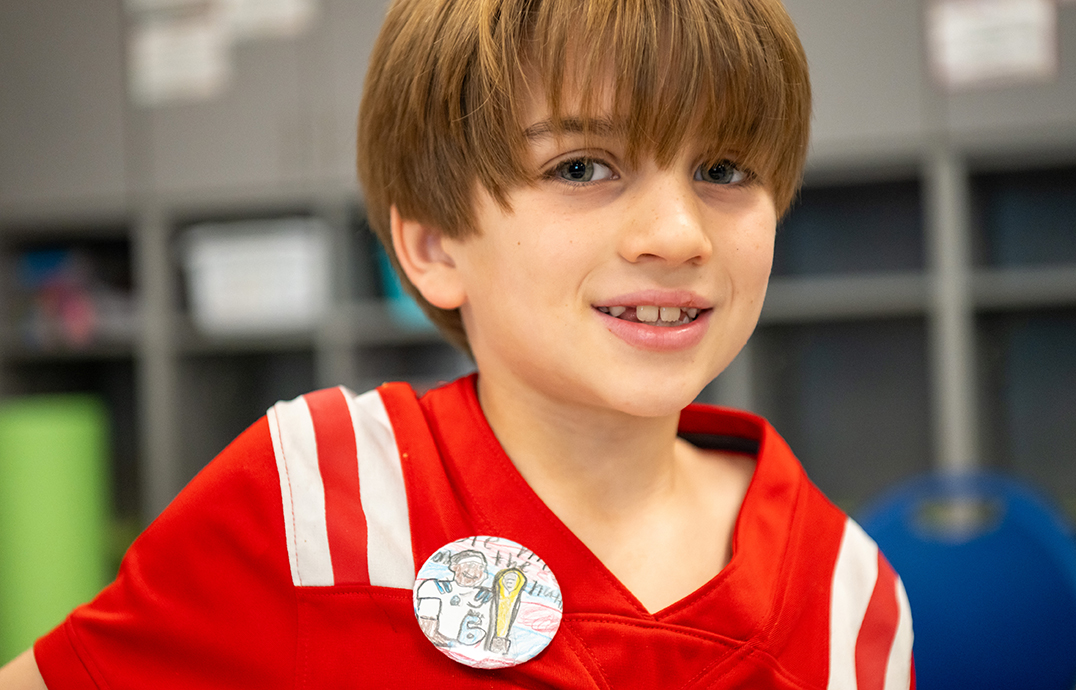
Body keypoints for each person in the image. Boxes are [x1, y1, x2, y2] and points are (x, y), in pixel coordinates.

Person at [0, 0, 915, 687]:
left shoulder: (851, 595)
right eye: (582, 167)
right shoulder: (315, 498)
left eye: (723, 170)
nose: (678, 234)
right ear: (434, 247)